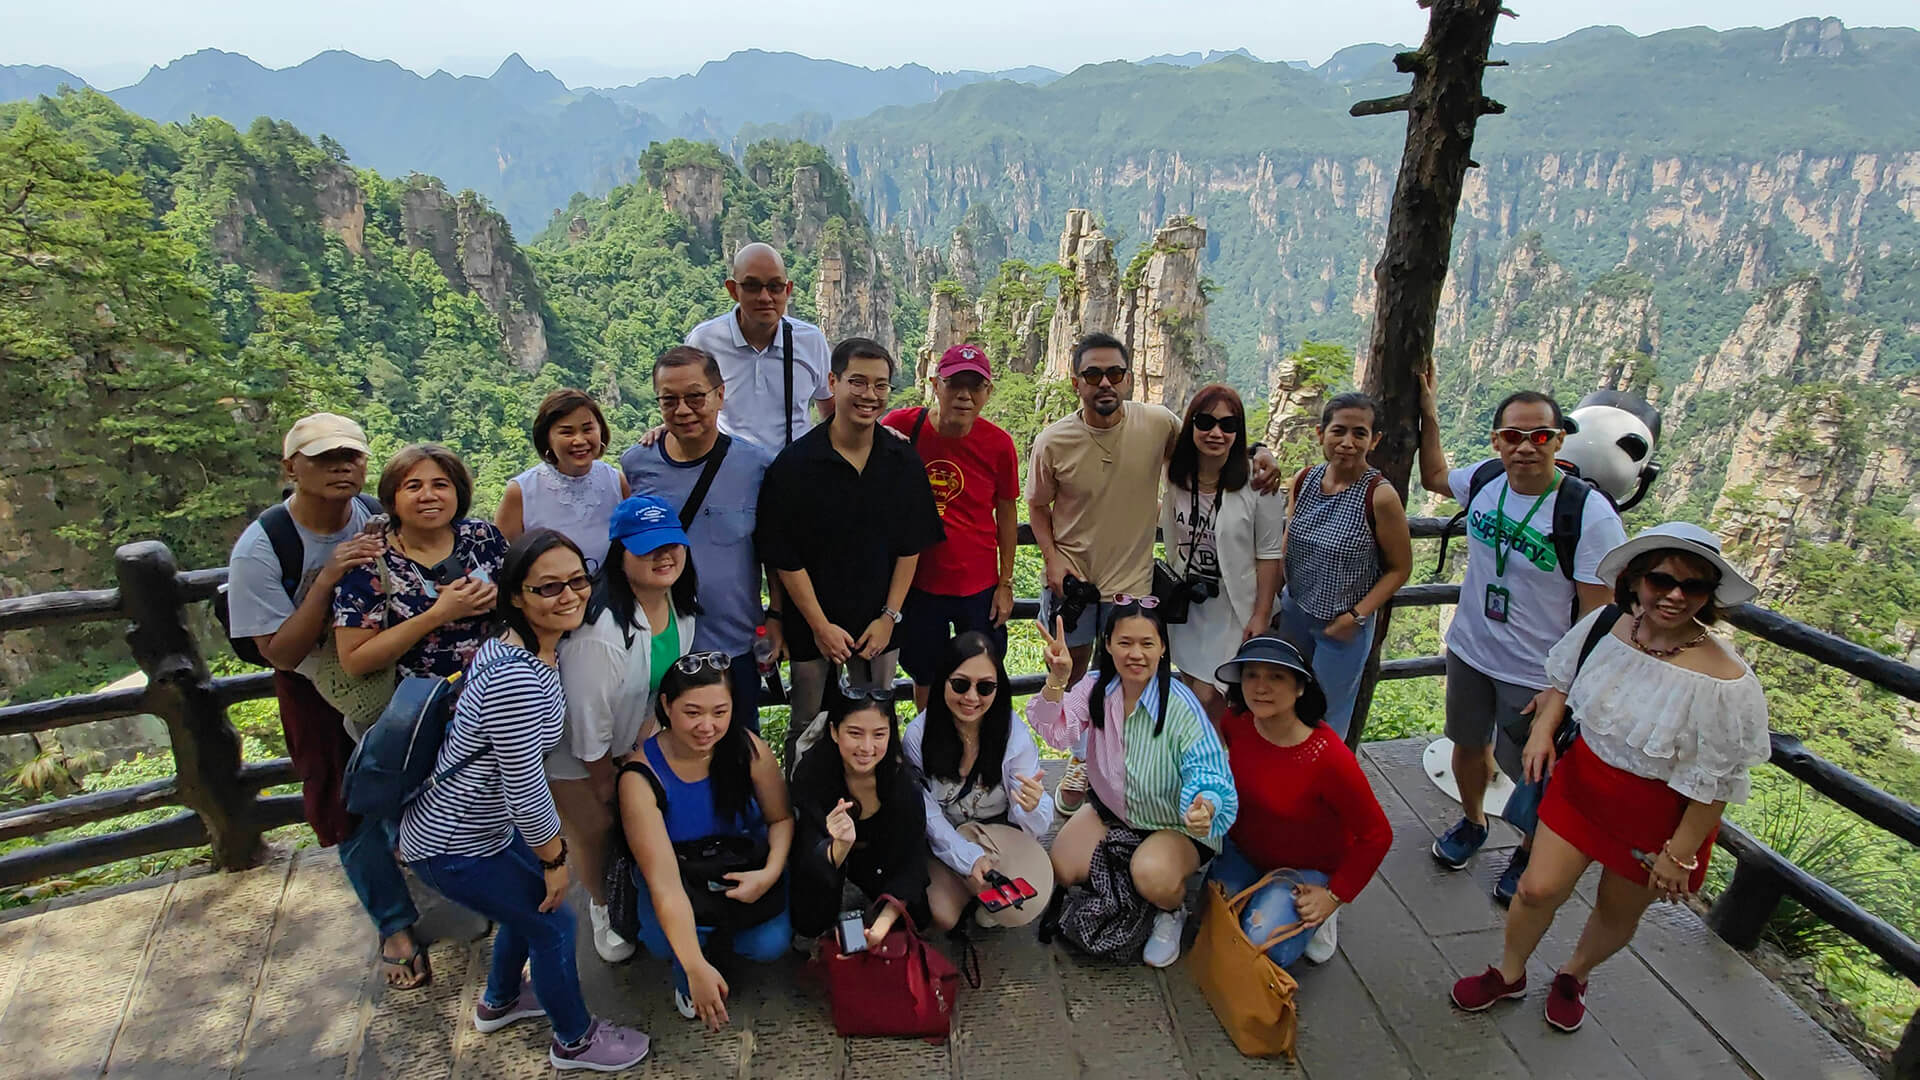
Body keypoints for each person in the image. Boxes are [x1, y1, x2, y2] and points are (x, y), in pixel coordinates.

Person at [1451, 522, 1768, 1034]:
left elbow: (1718, 780)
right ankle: (1509, 972)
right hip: (1583, 784)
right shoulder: (1608, 625)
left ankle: (1574, 974)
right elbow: (1563, 680)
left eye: (1694, 587)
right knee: (1536, 888)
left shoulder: (1725, 682)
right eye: (1662, 580)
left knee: (1617, 912)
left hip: (1658, 817)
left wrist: (1680, 853)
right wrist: (1543, 731)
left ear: (1710, 596)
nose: (1674, 596)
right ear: (1637, 579)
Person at [399, 529, 651, 1072]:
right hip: (455, 842)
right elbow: (524, 785)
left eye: (578, 582)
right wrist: (554, 857)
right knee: (554, 920)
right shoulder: (518, 677)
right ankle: (574, 1041)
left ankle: (501, 1000)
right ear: (516, 595)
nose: (570, 596)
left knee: (534, 903)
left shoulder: (514, 646)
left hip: (471, 827)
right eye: (549, 588)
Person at [1029, 333, 1280, 813]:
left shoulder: (1157, 423)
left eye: (1115, 374)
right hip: (1074, 585)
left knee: (1124, 683)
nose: (1105, 384)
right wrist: (1051, 558)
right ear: (1075, 381)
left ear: (1127, 378)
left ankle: (1121, 764)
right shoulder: (1053, 441)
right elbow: (1037, 506)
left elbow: (1209, 445)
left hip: (1133, 591)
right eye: (1093, 375)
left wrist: (1260, 451)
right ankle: (1082, 759)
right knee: (1073, 672)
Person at [225, 413, 427, 989]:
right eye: (322, 457)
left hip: (386, 665)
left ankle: (421, 867)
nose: (341, 466)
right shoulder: (263, 548)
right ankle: (393, 924)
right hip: (315, 687)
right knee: (347, 802)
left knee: (408, 775)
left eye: (351, 455)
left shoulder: (370, 514)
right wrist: (326, 581)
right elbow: (280, 653)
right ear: (291, 467)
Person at [1416, 371, 1627, 902]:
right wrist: (1430, 410)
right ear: (1497, 441)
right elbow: (1435, 475)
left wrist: (1559, 693)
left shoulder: (1588, 514)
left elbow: (1597, 617)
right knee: (1466, 745)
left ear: (1559, 440)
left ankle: (1528, 851)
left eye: (1540, 436)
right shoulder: (1487, 480)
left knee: (1532, 771)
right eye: (1513, 436)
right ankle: (1472, 822)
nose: (1526, 447)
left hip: (1536, 672)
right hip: (1470, 650)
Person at [756, 338, 944, 768]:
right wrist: (820, 626)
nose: (869, 395)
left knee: (876, 720)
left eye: (880, 385)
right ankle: (806, 814)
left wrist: (889, 617)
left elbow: (910, 546)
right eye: (857, 382)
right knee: (808, 722)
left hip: (879, 624)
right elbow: (785, 557)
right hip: (812, 626)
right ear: (833, 382)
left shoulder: (901, 460)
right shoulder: (796, 466)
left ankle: (874, 811)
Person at [1028, 603, 1238, 968]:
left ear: (1162, 648)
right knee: (1061, 867)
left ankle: (1170, 909)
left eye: (1147, 643)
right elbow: (1055, 731)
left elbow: (1208, 768)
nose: (1136, 654)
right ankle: (1135, 876)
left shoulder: (1179, 702)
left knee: (1152, 875)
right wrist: (1057, 681)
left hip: (1173, 823)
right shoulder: (1095, 688)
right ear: (1107, 644)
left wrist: (1205, 804)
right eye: (1125, 642)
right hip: (1114, 813)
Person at [551, 494, 700, 963]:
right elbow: (586, 722)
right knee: (595, 827)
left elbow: (662, 686)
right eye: (648, 547)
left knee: (638, 821)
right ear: (620, 554)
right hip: (576, 753)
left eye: (672, 545)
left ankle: (635, 892)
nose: (664, 556)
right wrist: (604, 782)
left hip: (632, 737)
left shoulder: (679, 605)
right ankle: (602, 904)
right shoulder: (599, 632)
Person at [618, 654, 791, 1031]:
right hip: (679, 877)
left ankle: (714, 946)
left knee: (769, 944)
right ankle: (697, 953)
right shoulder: (640, 779)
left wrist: (769, 873)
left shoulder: (747, 749)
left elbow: (780, 818)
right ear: (666, 705)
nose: (707, 726)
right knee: (666, 943)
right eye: (692, 712)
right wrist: (695, 967)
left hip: (740, 867)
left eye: (720, 712)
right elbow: (665, 884)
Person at [1207, 636, 1393, 969]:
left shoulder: (1329, 758)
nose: (1261, 687)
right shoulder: (1237, 723)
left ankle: (1319, 915)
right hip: (1244, 849)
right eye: (1251, 675)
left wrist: (1335, 895)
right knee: (1213, 916)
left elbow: (1377, 834)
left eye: (1276, 677)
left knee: (1262, 942)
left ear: (1300, 687)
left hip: (1306, 866)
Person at [621, 346, 782, 728]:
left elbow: (773, 550)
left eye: (695, 397)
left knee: (740, 751)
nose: (682, 410)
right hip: (657, 645)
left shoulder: (757, 466)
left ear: (720, 395)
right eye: (669, 400)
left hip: (735, 642)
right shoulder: (637, 464)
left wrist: (775, 615)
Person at [882, 344, 1020, 712]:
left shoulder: (999, 445)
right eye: (954, 383)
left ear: (988, 393)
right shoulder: (900, 426)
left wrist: (1005, 583)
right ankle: (929, 750)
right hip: (919, 584)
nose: (964, 394)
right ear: (934, 384)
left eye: (975, 386)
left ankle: (979, 754)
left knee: (983, 673)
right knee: (925, 675)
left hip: (978, 586)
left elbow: (1007, 515)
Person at [1277, 392, 1414, 739]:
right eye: (1338, 431)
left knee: (1324, 717)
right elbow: (1288, 542)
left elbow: (1400, 568)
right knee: (1283, 701)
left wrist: (1355, 616)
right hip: (1294, 611)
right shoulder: (1305, 480)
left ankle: (1319, 787)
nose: (1347, 443)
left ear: (1374, 440)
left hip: (1342, 623)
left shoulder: (1379, 496)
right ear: (1321, 433)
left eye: (1359, 433)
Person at [902, 632, 1055, 931]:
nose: (971, 698)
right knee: (943, 915)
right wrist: (966, 857)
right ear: (943, 681)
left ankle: (977, 891)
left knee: (1021, 909)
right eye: (960, 685)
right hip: (946, 835)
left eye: (985, 687)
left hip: (997, 833)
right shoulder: (919, 736)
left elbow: (1033, 825)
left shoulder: (1013, 735)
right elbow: (928, 814)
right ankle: (973, 888)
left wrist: (1033, 805)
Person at [1159, 384, 1285, 719]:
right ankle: (1206, 762)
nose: (1216, 432)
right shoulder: (1175, 474)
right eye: (1206, 422)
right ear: (1192, 425)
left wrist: (1261, 614)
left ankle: (1213, 766)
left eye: (1228, 425)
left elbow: (1270, 554)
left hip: (1233, 606)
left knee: (1210, 695)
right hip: (1188, 606)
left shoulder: (1259, 485)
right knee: (1191, 688)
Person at [333, 444, 509, 680]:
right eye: (413, 486)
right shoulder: (370, 560)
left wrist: (498, 599)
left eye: (440, 485)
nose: (428, 496)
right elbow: (354, 662)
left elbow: (532, 599)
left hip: (497, 695)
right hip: (414, 708)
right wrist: (438, 614)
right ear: (392, 498)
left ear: (458, 492)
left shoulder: (483, 538)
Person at [788, 689, 934, 946]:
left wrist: (881, 925)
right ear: (834, 731)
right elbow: (805, 854)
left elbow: (912, 861)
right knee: (810, 919)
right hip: (832, 869)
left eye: (879, 734)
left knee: (916, 917)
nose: (867, 748)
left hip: (882, 870)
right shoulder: (812, 774)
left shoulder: (903, 784)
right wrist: (837, 847)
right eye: (855, 733)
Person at [685, 242, 834, 449]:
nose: (765, 297)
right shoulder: (705, 341)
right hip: (730, 469)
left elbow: (831, 412)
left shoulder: (810, 341)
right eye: (752, 286)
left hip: (792, 472)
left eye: (775, 287)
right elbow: (684, 405)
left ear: (788, 290)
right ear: (733, 290)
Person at [495, 388, 630, 569]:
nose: (580, 440)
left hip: (608, 594)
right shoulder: (521, 491)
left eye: (588, 429)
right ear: (547, 438)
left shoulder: (616, 481)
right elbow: (501, 560)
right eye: (567, 432)